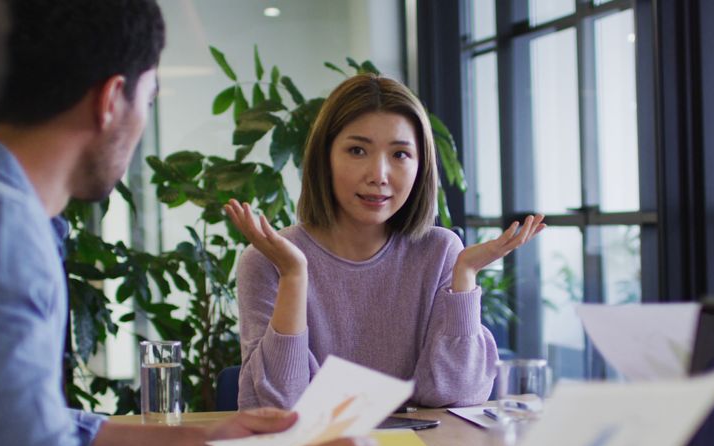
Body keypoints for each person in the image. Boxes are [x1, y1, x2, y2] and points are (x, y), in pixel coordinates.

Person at [0, 0, 476, 446]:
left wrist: (199, 442)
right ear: (112, 100)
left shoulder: (0, 209)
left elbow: (9, 429)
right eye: (151, 99)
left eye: (401, 154)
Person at [228, 74, 545, 410]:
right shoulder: (268, 259)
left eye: (400, 155)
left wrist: (464, 276)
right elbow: (277, 408)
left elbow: (455, 394)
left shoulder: (439, 252)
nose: (378, 174)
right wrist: (294, 276)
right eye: (357, 150)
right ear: (325, 158)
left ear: (421, 166)